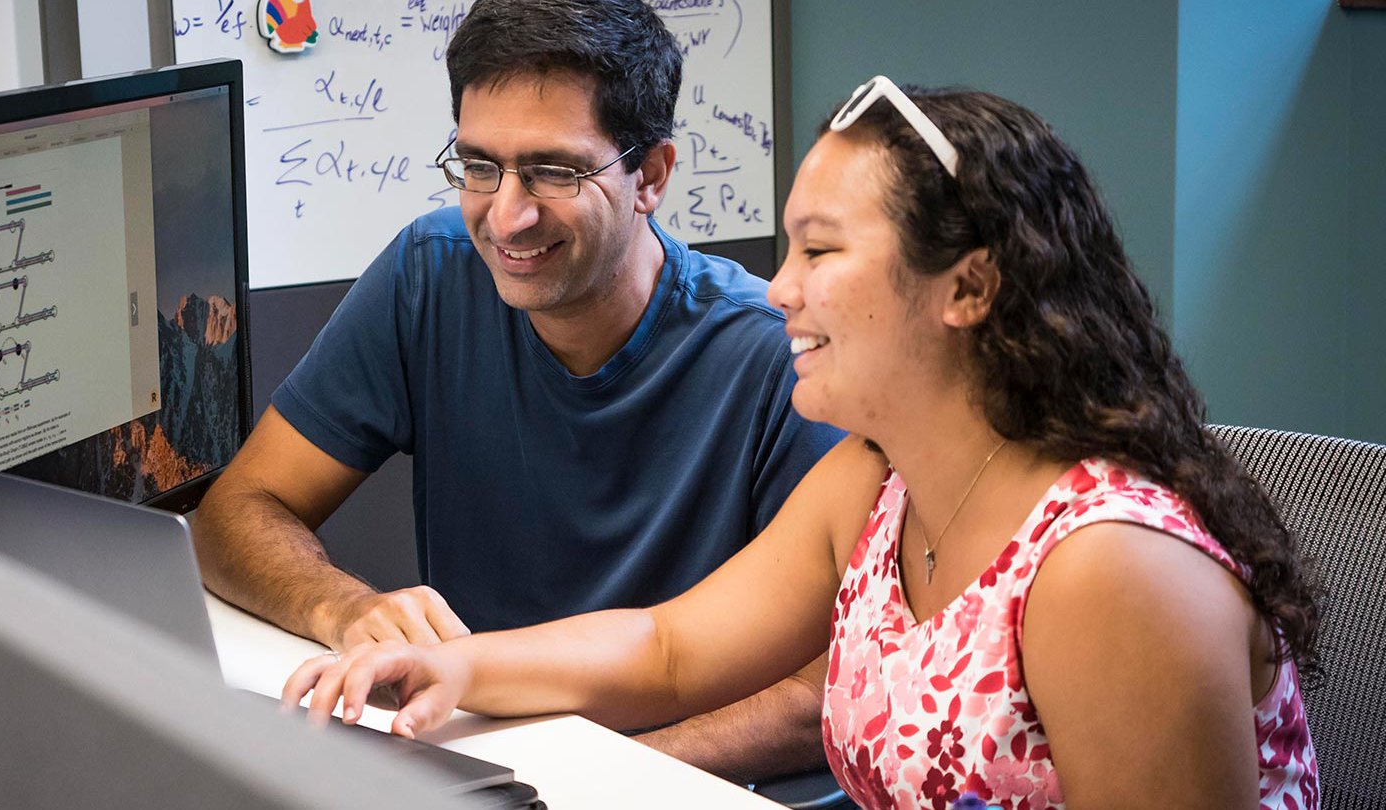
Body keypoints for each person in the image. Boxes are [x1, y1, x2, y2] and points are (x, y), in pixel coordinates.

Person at [283, 79, 1323, 808]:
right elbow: (669, 648)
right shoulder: (877, 480)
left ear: (967, 286)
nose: (778, 288)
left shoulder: (1114, 570)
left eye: (819, 251)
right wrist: (453, 664)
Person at [192, 0, 844, 782]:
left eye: (554, 172)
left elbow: (833, 685)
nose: (507, 216)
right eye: (479, 167)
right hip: (489, 758)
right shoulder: (429, 276)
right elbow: (236, 510)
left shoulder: (775, 359)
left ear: (651, 176)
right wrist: (344, 608)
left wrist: (603, 776)